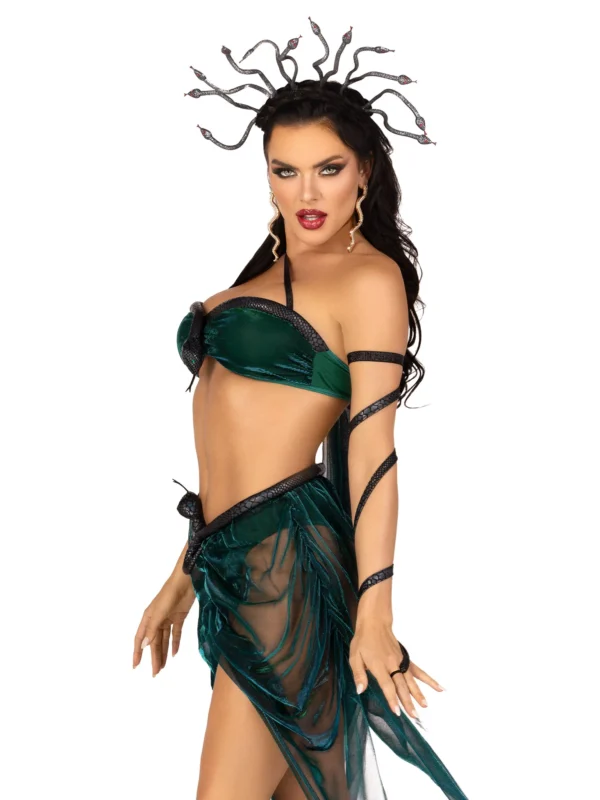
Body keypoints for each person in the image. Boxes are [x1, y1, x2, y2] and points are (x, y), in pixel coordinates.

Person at [133, 19, 469, 800]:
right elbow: (232, 446)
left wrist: (376, 611)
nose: (306, 193)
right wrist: (183, 574)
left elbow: (372, 451)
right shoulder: (262, 275)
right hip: (228, 563)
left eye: (328, 169)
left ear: (365, 171)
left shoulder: (368, 279)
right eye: (286, 171)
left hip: (286, 565)